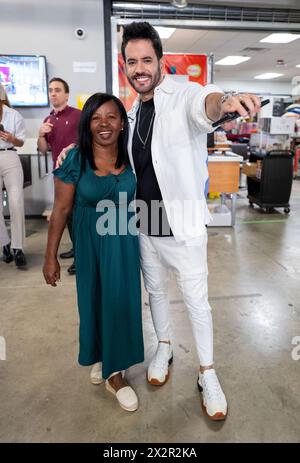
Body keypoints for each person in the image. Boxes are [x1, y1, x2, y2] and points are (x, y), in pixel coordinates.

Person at [58, 22, 262, 421]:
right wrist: (75, 145)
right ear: (125, 67)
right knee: (154, 293)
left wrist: (226, 101)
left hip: (183, 225)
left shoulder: (182, 94)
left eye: (146, 60)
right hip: (144, 225)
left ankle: (207, 373)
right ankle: (164, 346)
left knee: (196, 303)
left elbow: (206, 104)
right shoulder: (131, 114)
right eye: (132, 62)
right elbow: (106, 143)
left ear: (160, 61)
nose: (140, 68)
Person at [43, 93, 144, 412]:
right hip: (90, 241)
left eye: (112, 117)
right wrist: (51, 256)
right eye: (97, 117)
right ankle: (103, 358)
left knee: (120, 302)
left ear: (121, 123)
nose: (105, 124)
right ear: (87, 123)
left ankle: (116, 373)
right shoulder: (75, 158)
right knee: (93, 300)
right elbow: (60, 209)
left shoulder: (130, 155)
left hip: (124, 240)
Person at [38, 77, 81, 275]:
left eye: (57, 90)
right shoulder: (48, 120)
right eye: (50, 90)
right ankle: (76, 249)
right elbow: (43, 150)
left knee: (76, 215)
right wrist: (40, 135)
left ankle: (81, 258)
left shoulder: (78, 115)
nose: (53, 93)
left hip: (78, 173)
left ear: (66, 94)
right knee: (68, 216)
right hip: (60, 175)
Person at [0, 83, 27, 267]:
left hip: (9, 154)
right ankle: (4, 244)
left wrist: (11, 138)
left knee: (16, 201)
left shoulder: (13, 115)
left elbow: (21, 142)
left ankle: (18, 247)